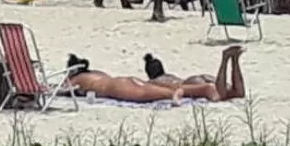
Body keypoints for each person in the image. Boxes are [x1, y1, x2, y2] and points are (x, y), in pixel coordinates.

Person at [62, 47, 247, 104]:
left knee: (215, 93)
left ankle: (226, 59)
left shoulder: (75, 78)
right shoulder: (96, 73)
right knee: (236, 93)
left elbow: (63, 89)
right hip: (195, 78)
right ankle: (235, 60)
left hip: (189, 85)